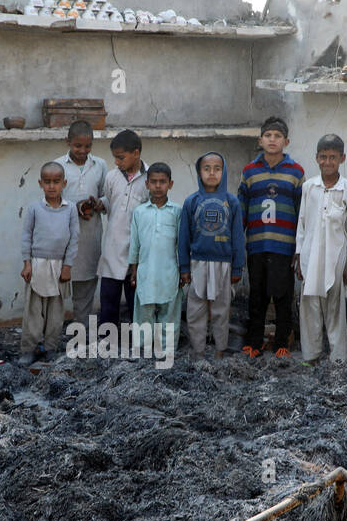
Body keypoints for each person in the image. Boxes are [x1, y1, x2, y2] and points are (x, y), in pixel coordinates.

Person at [239, 117, 305, 358]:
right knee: (256, 294)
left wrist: (299, 247)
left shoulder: (296, 172)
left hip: (284, 245)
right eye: (268, 136)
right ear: (260, 140)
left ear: (286, 141)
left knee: (283, 295)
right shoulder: (249, 171)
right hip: (256, 245)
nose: (272, 140)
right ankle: (254, 343)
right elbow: (242, 210)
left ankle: (282, 343)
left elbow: (302, 213)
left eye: (277, 136)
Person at [294, 134, 347, 365]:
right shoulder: (309, 187)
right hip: (311, 255)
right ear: (316, 158)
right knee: (309, 305)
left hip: (337, 257)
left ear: (342, 158)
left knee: (336, 307)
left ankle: (338, 358)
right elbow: (302, 223)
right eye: (323, 157)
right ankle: (310, 356)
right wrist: (299, 254)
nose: (328, 162)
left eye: (333, 157)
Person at [178, 151, 245, 358]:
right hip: (198, 262)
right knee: (195, 309)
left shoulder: (231, 201)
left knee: (221, 309)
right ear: (199, 172)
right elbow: (183, 237)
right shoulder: (192, 201)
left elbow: (238, 237)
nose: (212, 173)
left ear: (223, 172)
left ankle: (219, 350)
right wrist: (185, 268)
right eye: (206, 168)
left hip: (223, 263)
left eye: (217, 168)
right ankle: (198, 350)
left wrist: (237, 266)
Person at [19, 161, 79, 365]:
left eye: (56, 182)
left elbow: (74, 239)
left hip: (59, 267)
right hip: (37, 265)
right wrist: (27, 263)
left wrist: (68, 266)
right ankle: (28, 349)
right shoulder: (35, 208)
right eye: (47, 182)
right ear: (40, 183)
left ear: (64, 183)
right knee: (33, 311)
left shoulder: (70, 209)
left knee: (55, 312)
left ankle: (51, 347)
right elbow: (26, 236)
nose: (51, 186)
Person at [126, 163, 182, 359]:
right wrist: (133, 270)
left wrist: (183, 271)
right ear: (147, 184)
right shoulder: (140, 212)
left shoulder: (177, 211)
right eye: (154, 182)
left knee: (169, 315)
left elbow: (181, 245)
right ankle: (143, 351)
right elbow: (135, 244)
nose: (158, 186)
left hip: (169, 272)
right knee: (144, 314)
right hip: (146, 272)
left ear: (170, 184)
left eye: (163, 182)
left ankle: (167, 352)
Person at [55, 120, 108, 321]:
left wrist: (97, 203)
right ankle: (52, 330)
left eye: (88, 146)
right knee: (57, 284)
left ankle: (82, 331)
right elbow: (51, 202)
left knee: (85, 284)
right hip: (63, 236)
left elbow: (106, 196)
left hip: (89, 235)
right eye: (78, 145)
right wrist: (75, 207)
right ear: (67, 142)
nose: (83, 150)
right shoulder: (58, 165)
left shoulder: (100, 165)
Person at [97, 129, 147, 329]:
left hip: (137, 251)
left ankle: (137, 341)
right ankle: (106, 340)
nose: (117, 162)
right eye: (115, 158)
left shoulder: (150, 178)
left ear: (136, 153)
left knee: (136, 299)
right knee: (109, 299)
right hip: (113, 246)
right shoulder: (111, 177)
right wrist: (99, 204)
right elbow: (111, 202)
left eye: (120, 157)